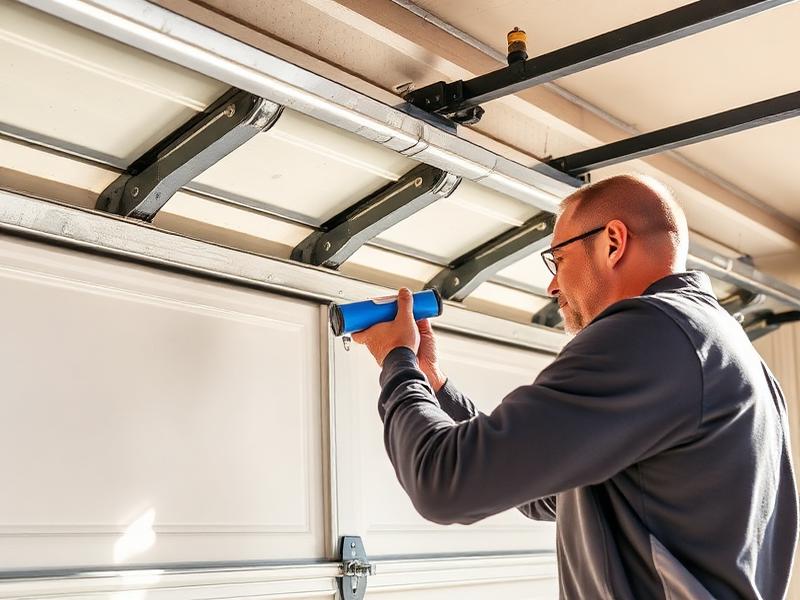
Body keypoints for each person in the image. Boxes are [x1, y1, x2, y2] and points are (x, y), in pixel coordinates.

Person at [352, 174, 798, 599]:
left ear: (613, 242)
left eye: (559, 259)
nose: (552, 285)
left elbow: (444, 484)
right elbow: (546, 493)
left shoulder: (650, 332)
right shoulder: (723, 347)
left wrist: (397, 361)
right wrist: (433, 384)